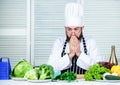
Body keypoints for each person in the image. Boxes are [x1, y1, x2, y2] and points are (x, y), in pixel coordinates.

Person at [48, 2, 103, 74]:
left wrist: (79, 53)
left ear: (82, 28)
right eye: (69, 29)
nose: (73, 33)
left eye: (76, 29)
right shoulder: (59, 42)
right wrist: (70, 55)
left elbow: (98, 67)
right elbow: (51, 67)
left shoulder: (90, 42)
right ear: (65, 28)